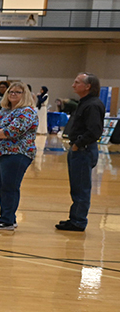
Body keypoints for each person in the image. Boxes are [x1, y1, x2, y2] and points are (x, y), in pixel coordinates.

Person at [0, 83, 38, 230]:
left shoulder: (28, 112)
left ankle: (7, 219)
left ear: (24, 94)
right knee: (1, 186)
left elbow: (12, 131)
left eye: (18, 92)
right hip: (0, 152)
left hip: (17, 153)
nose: (13, 94)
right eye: (11, 92)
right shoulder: (5, 110)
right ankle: (7, 217)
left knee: (10, 187)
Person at [57, 73, 105, 232]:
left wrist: (78, 144)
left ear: (88, 86)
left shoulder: (92, 105)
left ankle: (78, 221)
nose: (73, 85)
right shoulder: (84, 103)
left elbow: (94, 131)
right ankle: (75, 218)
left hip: (83, 151)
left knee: (82, 188)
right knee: (77, 187)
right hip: (79, 150)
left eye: (77, 82)